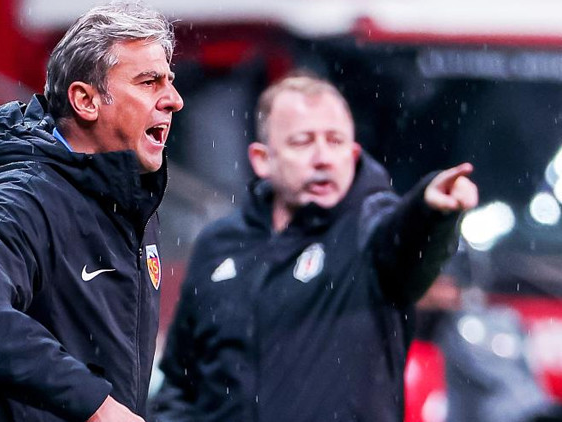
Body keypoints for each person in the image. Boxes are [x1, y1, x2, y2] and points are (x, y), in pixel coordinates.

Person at [150, 74, 477, 422]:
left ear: (353, 154)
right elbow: (180, 383)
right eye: (302, 142)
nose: (323, 158)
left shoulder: (369, 230)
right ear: (262, 159)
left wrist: (431, 212)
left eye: (335, 141)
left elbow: (408, 243)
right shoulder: (219, 245)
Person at [0, 2, 183, 422]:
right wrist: (95, 405)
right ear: (85, 100)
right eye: (149, 82)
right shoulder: (21, 193)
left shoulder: (135, 206)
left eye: (170, 81)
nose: (174, 100)